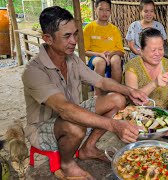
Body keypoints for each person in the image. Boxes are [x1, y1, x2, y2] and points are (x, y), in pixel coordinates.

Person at [22, 6, 147, 180]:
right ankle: (67, 164)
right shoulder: (33, 71)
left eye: (75, 34)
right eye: (67, 36)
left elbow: (101, 81)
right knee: (75, 126)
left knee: (118, 99)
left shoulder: (72, 59)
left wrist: (129, 90)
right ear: (48, 39)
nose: (74, 41)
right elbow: (65, 109)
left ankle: (88, 148)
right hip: (42, 127)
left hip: (71, 111)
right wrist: (113, 125)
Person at [124, 28, 168, 137]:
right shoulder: (133, 66)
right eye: (153, 50)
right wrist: (154, 83)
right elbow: (133, 98)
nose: (158, 53)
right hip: (145, 113)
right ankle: (167, 132)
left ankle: (167, 130)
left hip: (167, 112)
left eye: (160, 49)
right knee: (134, 114)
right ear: (141, 50)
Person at [84, 0, 124, 95]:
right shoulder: (89, 28)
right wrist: (100, 54)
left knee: (116, 60)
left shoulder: (114, 29)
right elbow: (84, 51)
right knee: (100, 62)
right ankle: (97, 95)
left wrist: (111, 53)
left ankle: (115, 92)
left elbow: (121, 52)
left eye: (107, 10)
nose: (104, 12)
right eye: (101, 9)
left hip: (111, 56)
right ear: (95, 10)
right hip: (95, 58)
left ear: (110, 11)